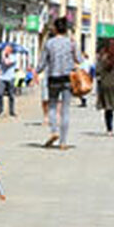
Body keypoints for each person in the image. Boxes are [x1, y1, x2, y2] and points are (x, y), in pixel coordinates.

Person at [36, 17, 80, 148]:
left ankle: (54, 131)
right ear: (66, 29)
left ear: (55, 29)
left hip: (53, 78)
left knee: (52, 106)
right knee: (65, 110)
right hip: (67, 78)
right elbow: (79, 59)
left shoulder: (49, 43)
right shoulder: (71, 43)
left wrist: (36, 71)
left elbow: (42, 62)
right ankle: (63, 142)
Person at [0, 44, 16, 117]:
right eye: (5, 49)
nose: (5, 50)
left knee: (11, 95)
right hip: (2, 78)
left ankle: (12, 111)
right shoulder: (2, 57)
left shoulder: (13, 57)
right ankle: (0, 110)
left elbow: (7, 63)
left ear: (10, 50)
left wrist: (5, 57)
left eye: (6, 49)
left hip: (10, 78)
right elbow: (0, 67)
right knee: (0, 94)